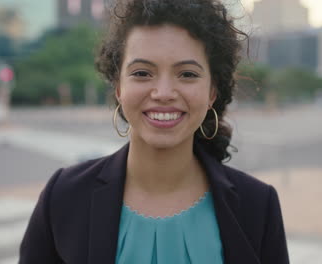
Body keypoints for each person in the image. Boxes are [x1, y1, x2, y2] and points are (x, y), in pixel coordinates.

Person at [19, 0, 289, 263]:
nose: (163, 93)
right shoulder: (65, 195)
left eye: (187, 74)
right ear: (118, 88)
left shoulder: (257, 206)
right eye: (142, 73)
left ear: (212, 92)